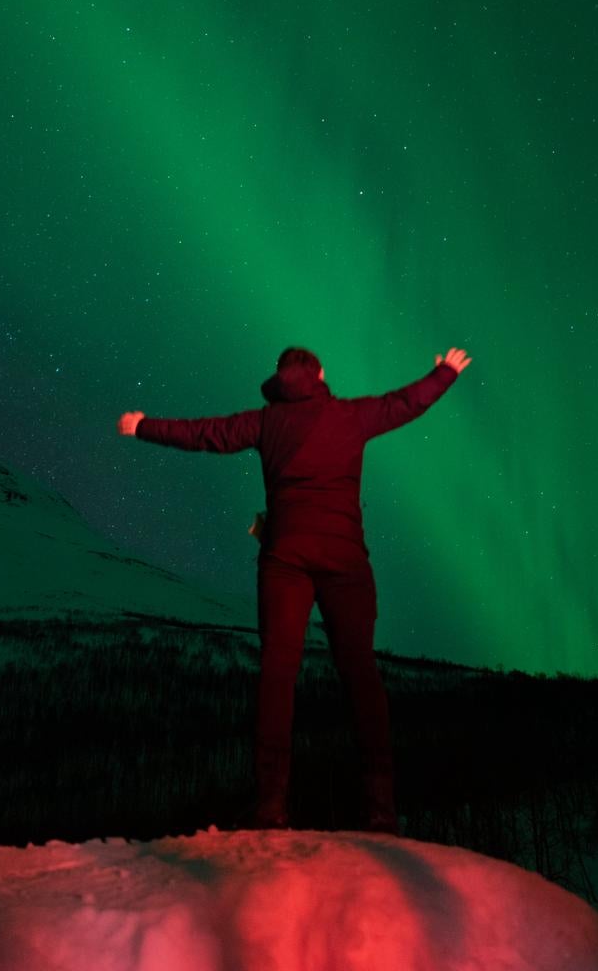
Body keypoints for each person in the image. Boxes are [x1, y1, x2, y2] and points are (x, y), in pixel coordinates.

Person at [117, 342, 472, 833]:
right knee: (361, 676)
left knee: (278, 676)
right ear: (321, 374)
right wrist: (445, 374)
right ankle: (379, 808)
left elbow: (205, 434)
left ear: (279, 381)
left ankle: (270, 805)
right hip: (345, 561)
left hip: (284, 560)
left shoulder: (264, 422)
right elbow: (406, 403)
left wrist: (143, 425)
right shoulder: (350, 416)